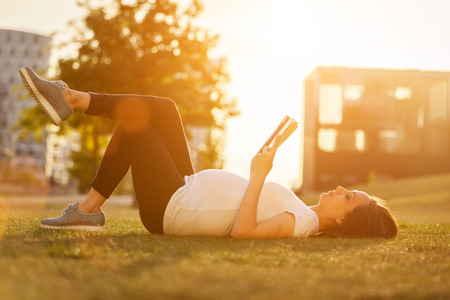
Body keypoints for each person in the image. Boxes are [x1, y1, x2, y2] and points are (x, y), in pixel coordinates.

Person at [19, 66, 398, 239]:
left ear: (341, 222)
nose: (340, 190)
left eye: (348, 198)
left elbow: (243, 231)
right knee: (165, 108)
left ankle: (86, 208)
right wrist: (257, 172)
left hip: (174, 207)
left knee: (137, 124)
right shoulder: (302, 211)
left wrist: (259, 174)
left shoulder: (303, 224)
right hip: (187, 186)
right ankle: (71, 99)